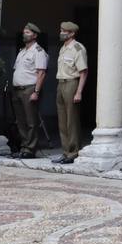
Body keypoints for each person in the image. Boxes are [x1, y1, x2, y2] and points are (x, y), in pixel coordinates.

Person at [10, 22, 47, 159]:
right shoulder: (22, 51)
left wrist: (36, 92)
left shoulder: (38, 51)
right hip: (18, 89)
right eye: (24, 32)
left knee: (31, 121)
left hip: (29, 89)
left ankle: (30, 149)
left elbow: (41, 73)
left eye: (28, 32)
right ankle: (24, 147)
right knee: (21, 121)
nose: (24, 34)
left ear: (35, 35)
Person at [52, 21, 87, 164]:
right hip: (61, 83)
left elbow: (83, 72)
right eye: (61, 30)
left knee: (71, 120)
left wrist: (79, 91)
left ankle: (74, 151)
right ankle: (66, 150)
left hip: (72, 83)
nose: (61, 33)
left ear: (72, 33)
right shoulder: (63, 48)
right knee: (62, 121)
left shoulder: (77, 48)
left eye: (64, 31)